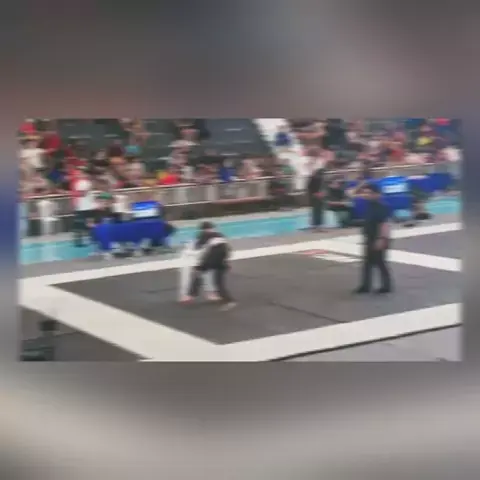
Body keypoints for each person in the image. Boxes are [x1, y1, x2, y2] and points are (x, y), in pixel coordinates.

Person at [183, 221, 236, 310]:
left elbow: (198, 248)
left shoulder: (203, 236)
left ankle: (191, 295)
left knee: (199, 276)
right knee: (217, 282)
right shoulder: (220, 235)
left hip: (211, 260)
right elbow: (227, 250)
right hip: (221, 261)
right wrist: (226, 262)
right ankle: (223, 298)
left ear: (203, 229)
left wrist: (200, 265)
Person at [354, 183, 393, 294]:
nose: (366, 195)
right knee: (367, 263)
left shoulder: (382, 207)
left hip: (378, 238)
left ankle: (386, 286)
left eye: (369, 193)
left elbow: (385, 224)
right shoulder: (369, 205)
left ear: (377, 194)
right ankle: (365, 286)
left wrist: (382, 239)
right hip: (369, 238)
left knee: (380, 262)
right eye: (365, 193)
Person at [306, 166, 325, 230]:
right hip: (314, 196)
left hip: (319, 196)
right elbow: (310, 188)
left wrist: (322, 193)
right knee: (315, 211)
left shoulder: (321, 179)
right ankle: (315, 225)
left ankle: (319, 225)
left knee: (319, 211)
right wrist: (315, 194)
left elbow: (323, 187)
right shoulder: (313, 179)